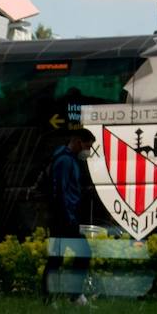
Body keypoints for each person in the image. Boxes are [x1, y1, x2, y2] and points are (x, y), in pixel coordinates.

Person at [44, 129, 96, 303]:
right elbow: (62, 191)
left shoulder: (68, 159)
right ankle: (73, 295)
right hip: (64, 218)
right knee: (83, 253)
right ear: (78, 141)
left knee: (56, 259)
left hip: (64, 216)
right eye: (87, 146)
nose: (88, 150)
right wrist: (69, 218)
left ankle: (50, 298)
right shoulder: (65, 161)